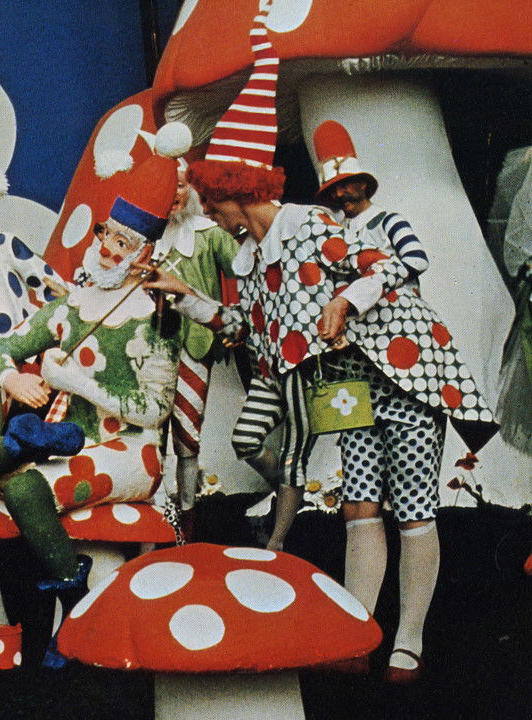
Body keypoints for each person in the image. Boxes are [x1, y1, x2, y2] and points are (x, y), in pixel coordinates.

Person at [141, 10, 497, 683]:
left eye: (213, 202)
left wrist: (344, 300)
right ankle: (357, 631)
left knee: (412, 507)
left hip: (404, 373)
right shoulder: (253, 259)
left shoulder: (314, 224)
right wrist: (181, 293)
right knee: (359, 506)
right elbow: (244, 328)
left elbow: (387, 266)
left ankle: (408, 639)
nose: (209, 213)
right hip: (342, 386)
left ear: (237, 190)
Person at [0, 154, 182, 668]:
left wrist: (76, 382)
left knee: (26, 488)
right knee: (15, 484)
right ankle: (76, 595)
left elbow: (155, 410)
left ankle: (77, 610)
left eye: (123, 243)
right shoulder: (72, 305)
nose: (108, 248)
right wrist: (13, 377)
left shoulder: (157, 316)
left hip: (131, 451)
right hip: (78, 446)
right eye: (106, 234)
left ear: (145, 253)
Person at [149, 130, 240, 529]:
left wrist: (235, 320)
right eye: (167, 186)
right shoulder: (142, 237)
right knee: (150, 433)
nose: (174, 194)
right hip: (150, 346)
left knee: (187, 436)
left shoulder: (210, 233)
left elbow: (248, 271)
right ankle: (153, 518)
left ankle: (186, 518)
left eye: (181, 186)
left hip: (195, 345)